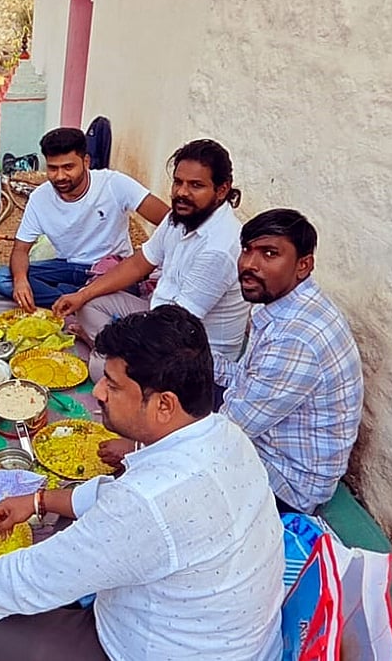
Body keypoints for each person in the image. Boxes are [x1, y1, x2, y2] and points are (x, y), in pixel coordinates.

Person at [0, 305, 284, 660]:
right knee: (70, 524)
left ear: (164, 405)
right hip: (233, 639)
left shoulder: (146, 503)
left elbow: (39, 575)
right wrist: (39, 501)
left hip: (157, 650)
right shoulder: (225, 434)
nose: (98, 392)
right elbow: (120, 499)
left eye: (113, 385)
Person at [103, 210, 364, 513]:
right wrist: (189, 363)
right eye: (247, 250)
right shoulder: (282, 305)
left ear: (303, 265)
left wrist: (140, 449)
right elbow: (244, 377)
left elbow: (229, 431)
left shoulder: (295, 339)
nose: (250, 264)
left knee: (156, 465)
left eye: (269, 254)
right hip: (263, 438)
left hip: (284, 482)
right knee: (159, 382)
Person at [54, 139, 250, 378]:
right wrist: (81, 295)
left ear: (221, 190)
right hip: (158, 312)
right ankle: (108, 351)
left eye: (196, 185)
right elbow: (138, 264)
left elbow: (178, 327)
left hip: (193, 350)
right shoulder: (180, 217)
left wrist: (121, 338)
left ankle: (106, 351)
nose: (181, 192)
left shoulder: (219, 248)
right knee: (88, 302)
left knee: (100, 369)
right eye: (178, 182)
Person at [0, 127, 169, 309]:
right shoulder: (39, 198)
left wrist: (156, 258)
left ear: (86, 162)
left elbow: (170, 220)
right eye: (53, 168)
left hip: (109, 271)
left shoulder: (113, 184)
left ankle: (78, 298)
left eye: (68, 167)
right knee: (3, 278)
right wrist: (21, 281)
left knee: (124, 288)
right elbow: (21, 250)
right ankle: (81, 301)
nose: (60, 176)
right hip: (68, 267)